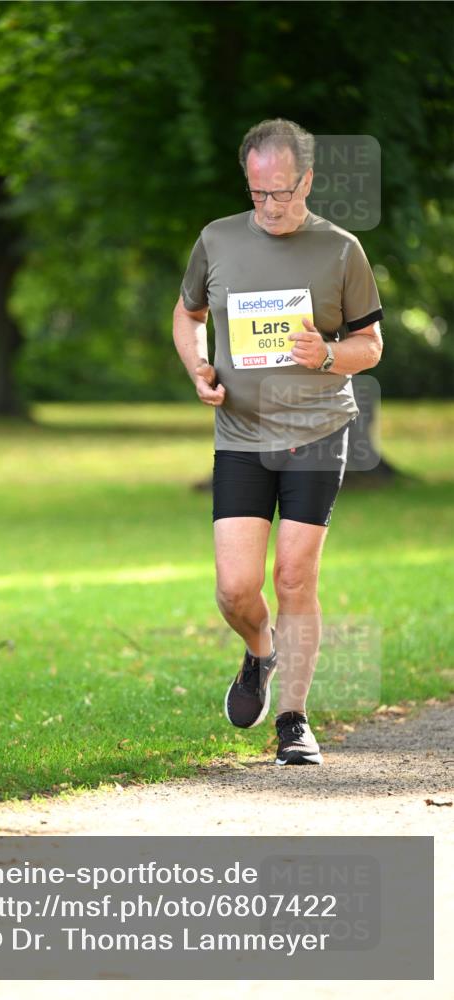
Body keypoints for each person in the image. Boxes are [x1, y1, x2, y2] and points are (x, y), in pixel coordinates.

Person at [173, 118, 383, 765]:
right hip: (239, 433)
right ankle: (259, 654)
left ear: (307, 181)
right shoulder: (217, 239)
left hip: (316, 431)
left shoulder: (341, 250)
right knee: (235, 590)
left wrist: (325, 352)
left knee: (293, 576)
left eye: (281, 193)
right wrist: (198, 368)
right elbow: (188, 315)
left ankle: (292, 720)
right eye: (258, 192)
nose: (268, 206)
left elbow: (368, 346)